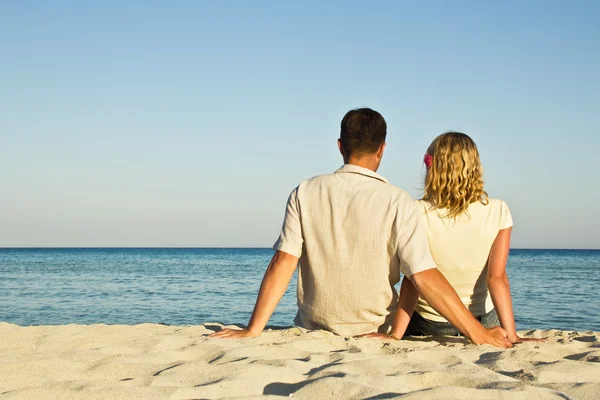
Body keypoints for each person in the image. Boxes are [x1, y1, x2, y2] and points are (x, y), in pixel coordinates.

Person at [210, 109, 511, 348]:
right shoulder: (399, 201)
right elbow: (422, 275)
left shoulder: (304, 191)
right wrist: (478, 333)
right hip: (375, 331)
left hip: (314, 330)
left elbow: (283, 261)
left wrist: (253, 330)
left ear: (340, 146)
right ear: (381, 150)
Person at [392, 131, 539, 344]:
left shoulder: (416, 212)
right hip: (483, 321)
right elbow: (496, 278)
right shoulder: (498, 210)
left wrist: (396, 335)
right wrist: (512, 335)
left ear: (432, 167)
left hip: (429, 322)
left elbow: (413, 280)